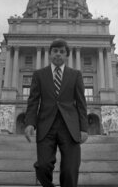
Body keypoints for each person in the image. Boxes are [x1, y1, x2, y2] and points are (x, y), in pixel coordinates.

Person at [24, 39, 88, 187]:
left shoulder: (75, 75)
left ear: (67, 56)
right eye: (55, 51)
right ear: (49, 54)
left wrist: (83, 128)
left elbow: (81, 102)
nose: (58, 54)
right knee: (43, 165)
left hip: (70, 127)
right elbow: (33, 100)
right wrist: (30, 123)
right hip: (46, 125)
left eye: (62, 52)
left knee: (70, 168)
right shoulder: (39, 74)